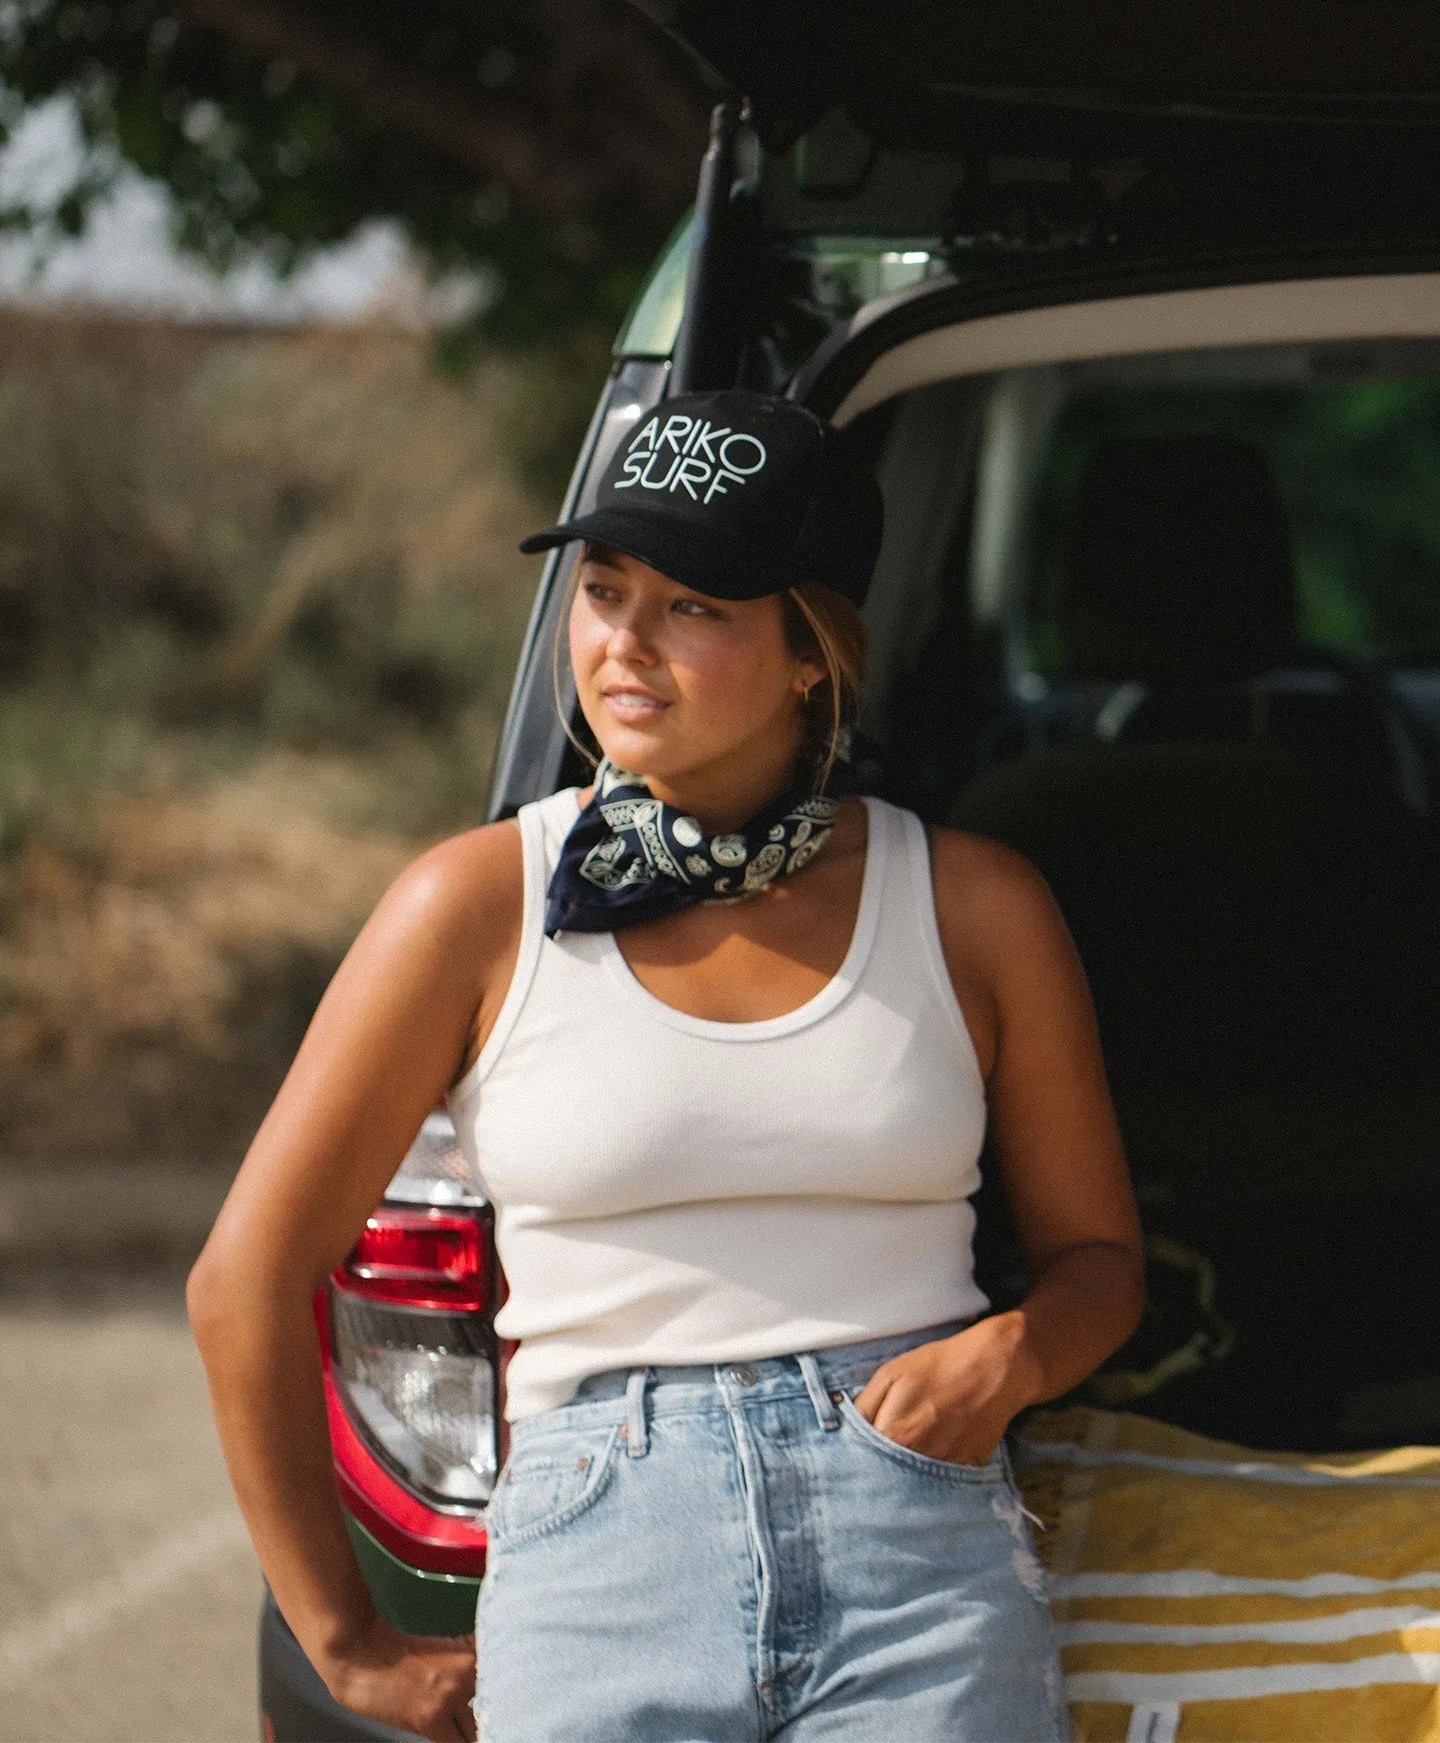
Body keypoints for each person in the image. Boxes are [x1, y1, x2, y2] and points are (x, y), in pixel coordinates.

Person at [189, 389, 1144, 1743]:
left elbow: (1101, 1268)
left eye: (695, 606)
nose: (624, 645)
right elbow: (242, 1282)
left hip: (914, 1538)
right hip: (600, 1541)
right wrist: (344, 1643)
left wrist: (1016, 1355)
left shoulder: (973, 903)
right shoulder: (473, 905)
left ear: (812, 649)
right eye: (605, 588)